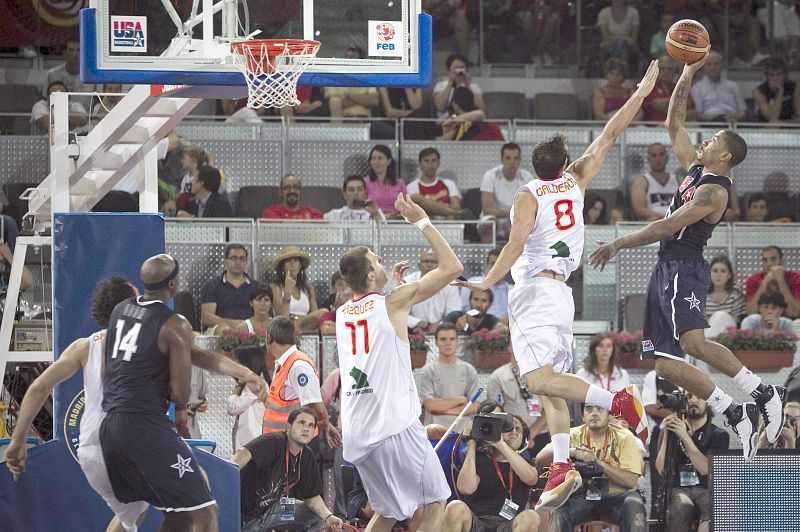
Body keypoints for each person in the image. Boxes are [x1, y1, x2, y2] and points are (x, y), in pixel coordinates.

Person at [458, 60, 659, 511]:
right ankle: (563, 464)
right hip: (562, 294)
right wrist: (641, 93)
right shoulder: (576, 179)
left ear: (533, 168)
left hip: (535, 291)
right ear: (564, 164)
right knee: (550, 388)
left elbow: (513, 244)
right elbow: (610, 131)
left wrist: (487, 280)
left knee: (536, 378)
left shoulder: (528, 194)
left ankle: (617, 400)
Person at [588, 54, 786, 462]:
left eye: (714, 142)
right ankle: (733, 410)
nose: (706, 142)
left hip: (684, 264)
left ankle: (764, 391)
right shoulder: (697, 168)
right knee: (664, 366)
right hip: (666, 267)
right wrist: (689, 73)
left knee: (693, 341)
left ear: (726, 156)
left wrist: (617, 243)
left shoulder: (714, 191)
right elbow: (672, 124)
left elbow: (665, 226)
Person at [5, 274, 268, 532]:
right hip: (133, 440)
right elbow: (198, 358)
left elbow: (39, 386)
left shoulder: (83, 346)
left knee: (138, 514)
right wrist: (244, 373)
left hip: (91, 451)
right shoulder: (147, 341)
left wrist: (18, 441)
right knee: (198, 500)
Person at [335, 193, 464, 531]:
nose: (381, 263)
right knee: (436, 500)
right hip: (392, 424)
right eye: (376, 261)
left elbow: (377, 316)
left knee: (390, 511)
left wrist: (394, 289)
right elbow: (452, 267)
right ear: (370, 277)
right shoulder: (393, 303)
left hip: (357, 432)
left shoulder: (342, 313)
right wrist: (422, 220)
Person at [99, 255, 218, 530]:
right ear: (173, 285)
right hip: (144, 425)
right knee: (205, 511)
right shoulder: (176, 324)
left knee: (176, 514)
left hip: (111, 426)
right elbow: (180, 393)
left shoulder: (120, 310)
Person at [536, 404, 647, 532]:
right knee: (559, 508)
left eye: (600, 409)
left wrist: (599, 464)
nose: (594, 413)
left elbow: (630, 481)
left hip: (615, 497)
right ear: (583, 416)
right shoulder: (572, 434)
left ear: (608, 414)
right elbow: (540, 459)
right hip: (580, 497)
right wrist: (573, 452)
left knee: (634, 502)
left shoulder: (624, 437)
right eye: (589, 409)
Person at [233, 407, 344, 532]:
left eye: (311, 425)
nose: (306, 429)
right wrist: (224, 484)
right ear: (289, 426)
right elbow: (242, 453)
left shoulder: (307, 455)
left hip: (274, 509)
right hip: (243, 515)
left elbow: (312, 497)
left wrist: (329, 516)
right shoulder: (274, 441)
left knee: (318, 517)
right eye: (301, 423)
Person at [443, 414, 540, 532]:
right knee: (455, 507)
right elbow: (466, 488)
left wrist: (501, 444)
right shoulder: (478, 459)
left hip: (510, 525)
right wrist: (471, 446)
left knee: (531, 516)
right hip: (477, 523)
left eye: (518, 429)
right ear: (497, 430)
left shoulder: (526, 464)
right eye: (508, 428)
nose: (514, 431)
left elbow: (531, 478)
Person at [655, 393, 730, 532]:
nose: (694, 400)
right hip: (679, 489)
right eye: (689, 396)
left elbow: (705, 469)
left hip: (706, 489)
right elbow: (660, 469)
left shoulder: (719, 435)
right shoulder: (672, 430)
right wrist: (666, 435)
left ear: (708, 402)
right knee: (681, 506)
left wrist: (684, 436)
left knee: (713, 505)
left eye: (699, 396)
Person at [261, 316, 341, 447]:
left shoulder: (297, 366)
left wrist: (325, 424)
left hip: (295, 444)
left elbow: (316, 404)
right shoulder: (287, 363)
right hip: (285, 443)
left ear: (269, 338)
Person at [417, 322, 480, 429]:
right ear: (436, 342)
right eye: (443, 339)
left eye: (452, 339)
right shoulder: (427, 371)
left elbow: (475, 406)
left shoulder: (468, 370)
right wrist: (460, 400)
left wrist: (445, 409)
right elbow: (430, 405)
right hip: (434, 434)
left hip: (462, 435)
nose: (448, 343)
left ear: (457, 342)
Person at [485, 354, 550, 455]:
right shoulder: (498, 376)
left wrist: (530, 435)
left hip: (541, 435)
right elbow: (495, 412)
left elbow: (550, 409)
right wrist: (520, 435)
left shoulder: (542, 373)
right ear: (509, 346)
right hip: (511, 437)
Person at [480, 143, 533, 242]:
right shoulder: (490, 176)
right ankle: (487, 255)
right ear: (502, 159)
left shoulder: (527, 177)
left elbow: (529, 207)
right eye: (508, 158)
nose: (512, 162)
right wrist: (509, 213)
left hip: (516, 218)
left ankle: (515, 256)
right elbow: (487, 209)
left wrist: (514, 217)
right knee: (487, 224)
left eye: (515, 158)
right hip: (496, 217)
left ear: (520, 160)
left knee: (519, 226)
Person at [201, 244, 259, 332]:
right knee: (224, 330)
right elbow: (207, 318)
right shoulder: (213, 285)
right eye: (233, 258)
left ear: (246, 262)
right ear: (226, 261)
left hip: (249, 329)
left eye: (242, 259)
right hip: (220, 329)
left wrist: (247, 326)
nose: (238, 262)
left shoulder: (255, 286)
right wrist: (235, 324)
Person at [269, 246, 326, 331]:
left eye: (295, 260)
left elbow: (315, 316)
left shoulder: (308, 289)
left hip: (306, 327)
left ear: (300, 265)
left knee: (324, 314)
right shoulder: (276, 287)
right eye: (288, 261)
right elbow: (281, 318)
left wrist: (298, 319)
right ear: (283, 266)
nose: (292, 264)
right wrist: (287, 292)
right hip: (285, 327)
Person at [406, 248, 463, 332]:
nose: (429, 265)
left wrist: (439, 327)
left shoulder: (450, 284)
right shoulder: (407, 282)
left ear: (440, 266)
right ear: (419, 265)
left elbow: (454, 313)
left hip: (443, 329)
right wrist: (424, 324)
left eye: (433, 262)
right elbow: (397, 313)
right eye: (426, 261)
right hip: (413, 330)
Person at [690, 51, 747, 123]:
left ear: (722, 66)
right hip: (710, 125)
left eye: (716, 64)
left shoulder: (733, 86)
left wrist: (736, 118)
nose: (713, 67)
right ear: (703, 67)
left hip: (733, 124)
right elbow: (698, 114)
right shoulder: (697, 88)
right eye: (709, 64)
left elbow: (743, 111)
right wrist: (719, 120)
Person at [407, 147, 464, 220]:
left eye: (434, 161)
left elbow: (456, 207)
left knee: (452, 216)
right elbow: (417, 210)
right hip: (425, 223)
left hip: (447, 223)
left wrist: (432, 208)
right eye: (426, 161)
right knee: (416, 198)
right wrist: (445, 207)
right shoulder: (412, 186)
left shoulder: (449, 183)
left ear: (438, 163)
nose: (430, 165)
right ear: (420, 164)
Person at [744, 245, 800, 318]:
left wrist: (781, 280)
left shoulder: (796, 278)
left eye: (773, 259)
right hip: (763, 321)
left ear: (782, 261)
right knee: (750, 321)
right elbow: (750, 313)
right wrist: (764, 283)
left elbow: (794, 313)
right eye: (765, 260)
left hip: (789, 320)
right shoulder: (753, 280)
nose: (768, 264)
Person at [459, 246, 512, 323]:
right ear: (487, 265)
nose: (496, 268)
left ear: (507, 267)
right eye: (493, 264)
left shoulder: (512, 290)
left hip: (503, 330)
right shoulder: (472, 283)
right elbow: (464, 310)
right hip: (475, 327)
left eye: (500, 264)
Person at [46, 37, 99, 110]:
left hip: (86, 117)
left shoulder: (93, 75)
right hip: (58, 116)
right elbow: (46, 99)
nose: (75, 54)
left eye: (78, 50)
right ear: (64, 52)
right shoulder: (52, 74)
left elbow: (98, 102)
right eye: (71, 50)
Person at [630, 142, 679, 221]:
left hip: (677, 220)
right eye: (654, 155)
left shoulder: (679, 180)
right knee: (653, 219)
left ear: (667, 157)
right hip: (655, 222)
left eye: (661, 154)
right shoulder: (641, 182)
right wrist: (665, 218)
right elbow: (639, 210)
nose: (658, 159)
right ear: (648, 158)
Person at [433, 53, 486, 121]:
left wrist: (468, 86)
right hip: (448, 122)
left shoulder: (474, 87)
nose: (458, 72)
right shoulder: (441, 86)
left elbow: (482, 110)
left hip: (469, 122)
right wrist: (450, 83)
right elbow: (440, 108)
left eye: (461, 68)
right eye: (455, 68)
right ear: (449, 71)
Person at [705, 255, 746, 337]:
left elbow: (737, 319)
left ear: (729, 275)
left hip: (728, 333)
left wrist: (718, 319)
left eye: (723, 271)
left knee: (720, 315)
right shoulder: (702, 292)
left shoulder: (735, 291)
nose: (718, 275)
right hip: (705, 330)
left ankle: (707, 346)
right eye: (715, 271)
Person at [752, 57, 800, 123]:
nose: (775, 78)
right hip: (765, 127)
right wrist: (780, 93)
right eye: (771, 75)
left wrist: (783, 123)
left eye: (779, 74)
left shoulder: (794, 88)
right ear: (766, 76)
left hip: (788, 125)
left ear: (785, 75)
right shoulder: (759, 92)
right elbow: (772, 117)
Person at [364, 144, 406, 219]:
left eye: (380, 158)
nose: (376, 162)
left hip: (396, 221)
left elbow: (406, 207)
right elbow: (363, 207)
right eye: (373, 159)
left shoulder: (400, 183)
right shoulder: (365, 182)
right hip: (374, 221)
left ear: (388, 161)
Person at [596, 0, 640, 68]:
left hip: (629, 45)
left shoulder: (634, 13)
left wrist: (622, 41)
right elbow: (605, 37)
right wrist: (623, 39)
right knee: (618, 45)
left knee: (621, 45)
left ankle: (616, 71)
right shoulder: (603, 13)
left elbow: (634, 37)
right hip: (608, 44)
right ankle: (621, 70)